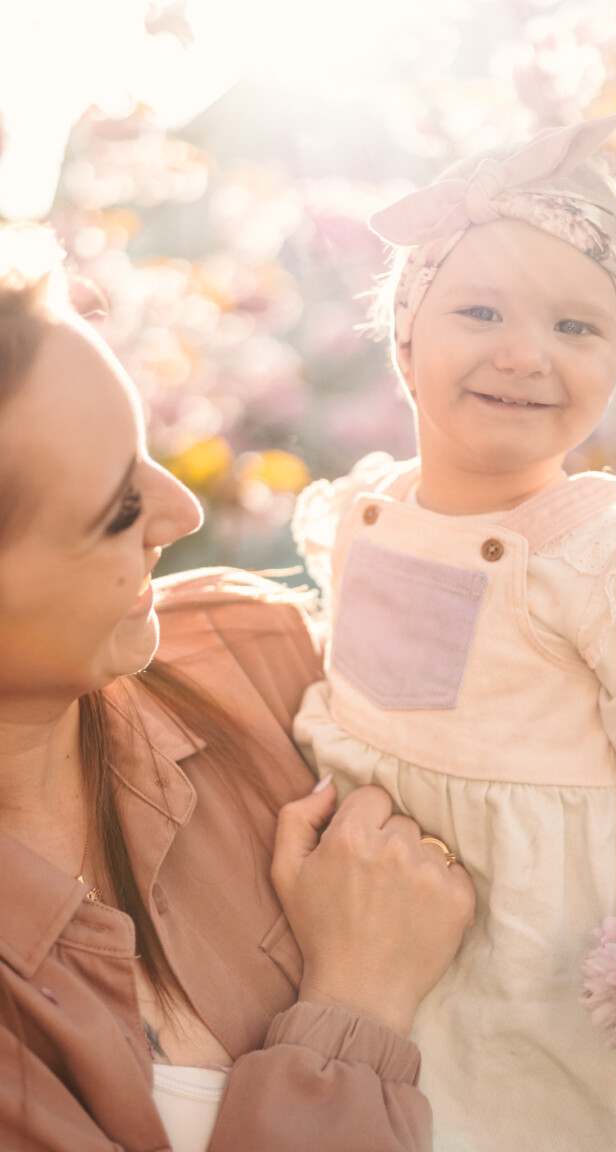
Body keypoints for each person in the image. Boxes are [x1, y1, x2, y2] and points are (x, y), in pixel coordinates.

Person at [291, 105, 616, 1152]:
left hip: (531, 980)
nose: (525, 355)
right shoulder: (368, 511)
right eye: (481, 312)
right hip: (355, 930)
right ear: (405, 330)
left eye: (575, 326)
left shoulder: (607, 557)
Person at [0, 221, 476, 1152]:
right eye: (117, 508)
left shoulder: (257, 657)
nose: (180, 509)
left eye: (145, 449)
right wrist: (352, 1008)